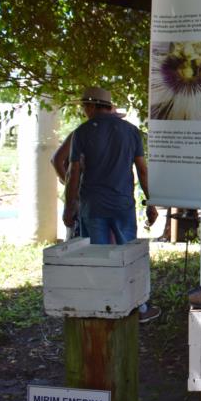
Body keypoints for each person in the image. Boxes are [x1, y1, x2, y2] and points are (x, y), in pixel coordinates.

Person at [62, 86, 161, 323]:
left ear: (94, 106)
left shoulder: (82, 133)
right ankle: (140, 308)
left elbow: (73, 172)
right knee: (129, 255)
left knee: (98, 257)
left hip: (93, 206)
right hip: (122, 205)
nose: (84, 111)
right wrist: (151, 202)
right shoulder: (131, 132)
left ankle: (102, 309)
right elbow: (143, 170)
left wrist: (69, 205)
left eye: (86, 106)